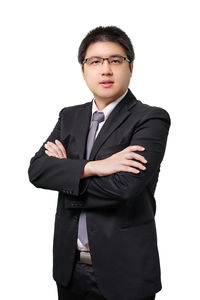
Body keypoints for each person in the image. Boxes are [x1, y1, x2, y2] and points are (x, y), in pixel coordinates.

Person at [28, 26, 170, 300]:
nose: (105, 70)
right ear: (83, 70)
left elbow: (124, 188)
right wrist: (94, 167)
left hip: (126, 271)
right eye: (95, 62)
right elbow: (37, 170)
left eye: (115, 60)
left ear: (131, 67)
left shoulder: (150, 119)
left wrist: (67, 174)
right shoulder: (69, 117)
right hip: (69, 269)